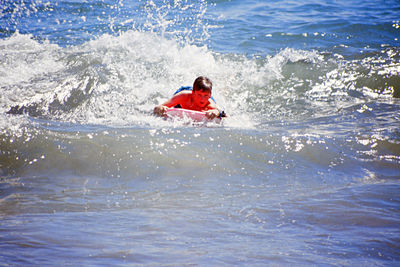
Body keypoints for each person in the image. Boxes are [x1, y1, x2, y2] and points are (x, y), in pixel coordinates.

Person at [154, 76, 224, 119]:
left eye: (205, 96)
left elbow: (220, 114)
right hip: (186, 93)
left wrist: (216, 112)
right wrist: (161, 108)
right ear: (193, 93)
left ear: (210, 95)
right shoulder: (182, 96)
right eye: (199, 95)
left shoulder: (210, 105)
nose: (202, 99)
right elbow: (158, 108)